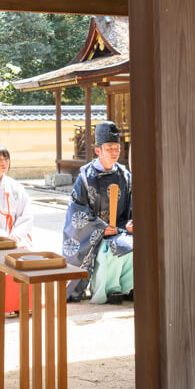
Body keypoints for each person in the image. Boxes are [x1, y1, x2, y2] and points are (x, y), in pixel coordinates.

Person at [62, 121, 135, 304]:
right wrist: (102, 228)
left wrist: (132, 222)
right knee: (110, 250)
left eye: (117, 148)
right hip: (92, 232)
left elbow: (133, 205)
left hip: (119, 229)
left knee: (134, 246)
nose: (114, 152)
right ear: (98, 151)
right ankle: (107, 291)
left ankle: (127, 288)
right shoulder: (86, 177)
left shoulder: (125, 175)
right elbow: (76, 213)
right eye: (109, 148)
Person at [0, 145, 36, 314]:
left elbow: (26, 214)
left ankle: (25, 304)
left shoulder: (15, 187)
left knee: (28, 257)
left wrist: (16, 235)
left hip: (16, 237)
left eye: (6, 159)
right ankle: (4, 306)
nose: (3, 163)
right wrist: (1, 236)